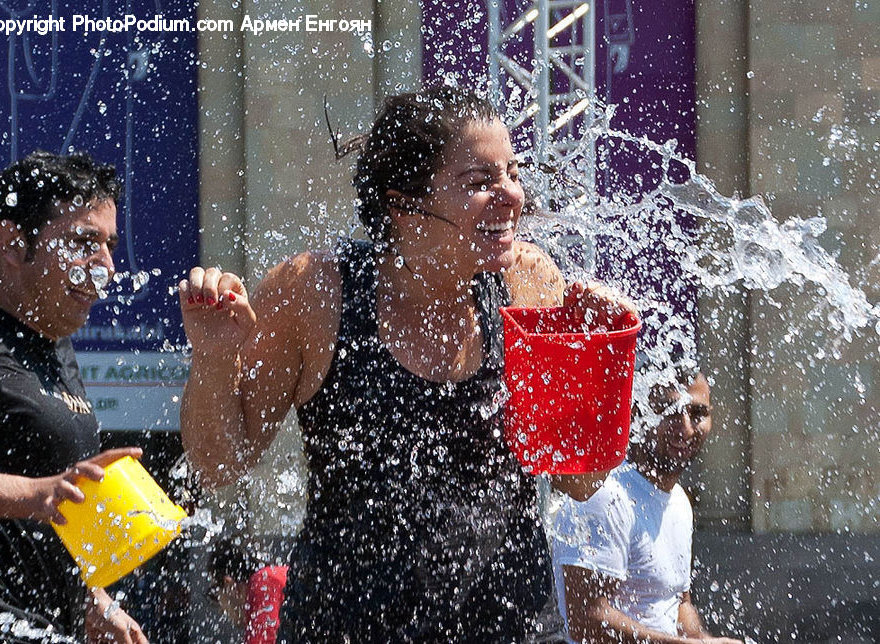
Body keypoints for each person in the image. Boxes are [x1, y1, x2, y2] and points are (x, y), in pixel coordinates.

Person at [179, 86, 637, 641]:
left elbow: (580, 481)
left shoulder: (527, 281)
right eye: (479, 183)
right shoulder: (315, 293)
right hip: (345, 625)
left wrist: (599, 363)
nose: (511, 195)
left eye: (512, 173)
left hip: (509, 624)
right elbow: (219, 465)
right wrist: (212, 358)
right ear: (403, 206)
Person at [0, 151, 148, 643]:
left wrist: (97, 600)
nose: (107, 270)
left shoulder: (56, 350)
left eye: (110, 247)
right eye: (83, 243)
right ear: (12, 242)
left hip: (46, 625)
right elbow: (45, 493)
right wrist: (38, 494)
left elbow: (54, 516)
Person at [550, 364, 744, 644]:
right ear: (640, 413)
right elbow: (586, 623)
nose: (686, 427)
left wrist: (705, 640)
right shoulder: (605, 495)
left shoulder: (679, 501)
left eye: (698, 413)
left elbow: (678, 602)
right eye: (670, 411)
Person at [206, 536, 288, 644]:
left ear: (229, 585)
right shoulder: (273, 577)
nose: (221, 610)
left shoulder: (263, 581)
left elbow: (264, 640)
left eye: (217, 595)